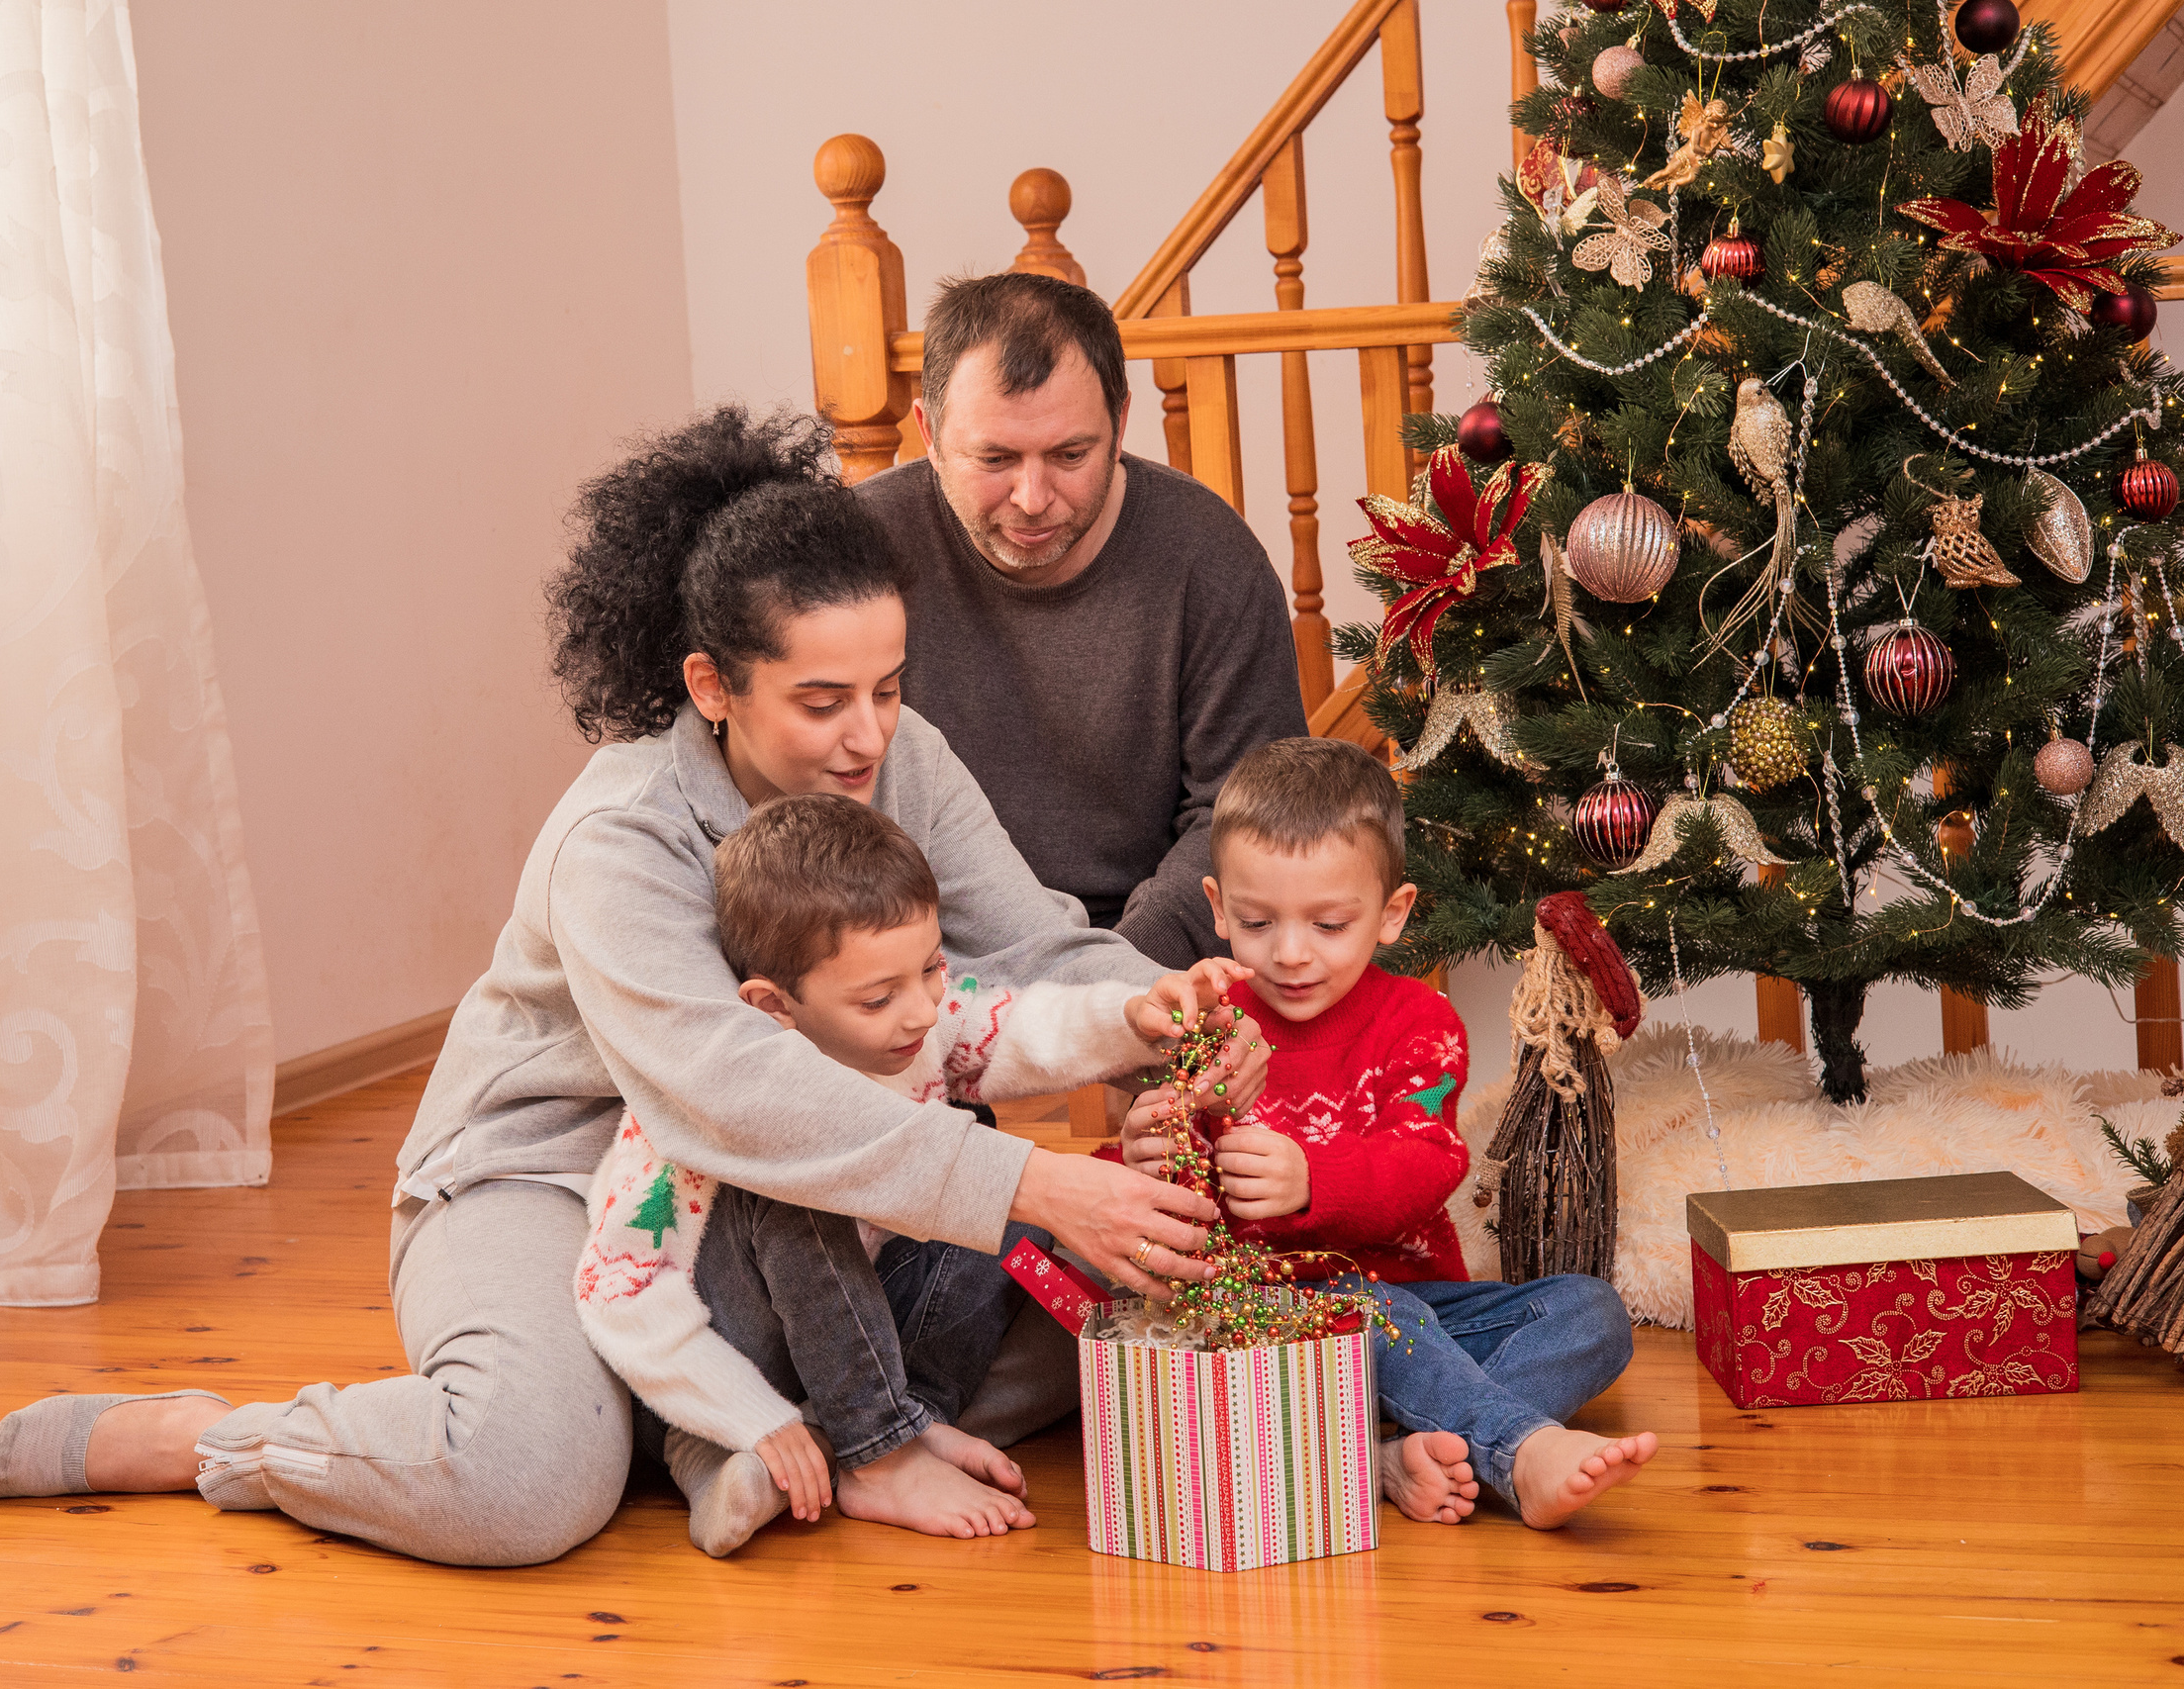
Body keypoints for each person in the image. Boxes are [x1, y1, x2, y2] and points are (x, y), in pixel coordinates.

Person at [0, 406, 1264, 1567]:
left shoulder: (896, 754)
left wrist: (1172, 1013)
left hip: (774, 1207)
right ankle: (221, 1436)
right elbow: (729, 1091)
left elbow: (1035, 947)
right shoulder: (622, 831)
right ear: (712, 685)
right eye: (821, 699)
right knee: (525, 1484)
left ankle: (714, 1415)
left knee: (1111, 1325)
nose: (868, 732)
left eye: (887, 685)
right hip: (549, 1183)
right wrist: (1030, 1182)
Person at [576, 794, 1247, 1556]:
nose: (922, 1010)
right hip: (731, 1350)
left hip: (857, 1335)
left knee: (1008, 1190)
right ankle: (870, 1453)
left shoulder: (918, 1026)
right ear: (774, 1006)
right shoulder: (691, 1133)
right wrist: (746, 1414)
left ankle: (891, 1421)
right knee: (804, 1190)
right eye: (879, 996)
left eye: (930, 968)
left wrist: (1130, 1015)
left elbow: (1017, 1023)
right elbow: (619, 1292)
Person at [1111, 737, 1659, 1529]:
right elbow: (1166, 1207)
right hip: (1267, 1323)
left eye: (1330, 923)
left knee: (1591, 1315)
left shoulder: (1419, 1023)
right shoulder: (1212, 1022)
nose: (1292, 952)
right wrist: (1144, 1154)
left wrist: (1313, 1181)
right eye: (1259, 921)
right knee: (1362, 1308)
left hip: (1412, 1306)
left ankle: (1384, 1448)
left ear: (1392, 913)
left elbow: (1427, 1161)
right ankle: (1514, 1447)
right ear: (1219, 906)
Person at [855, 271, 1310, 970]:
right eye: (995, 458)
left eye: (1071, 455)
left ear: (1121, 423)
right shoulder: (855, 547)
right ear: (928, 432)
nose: (1033, 498)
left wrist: (1102, 989)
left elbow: (1242, 814)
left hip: (1147, 952)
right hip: (908, 957)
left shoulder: (1212, 560)